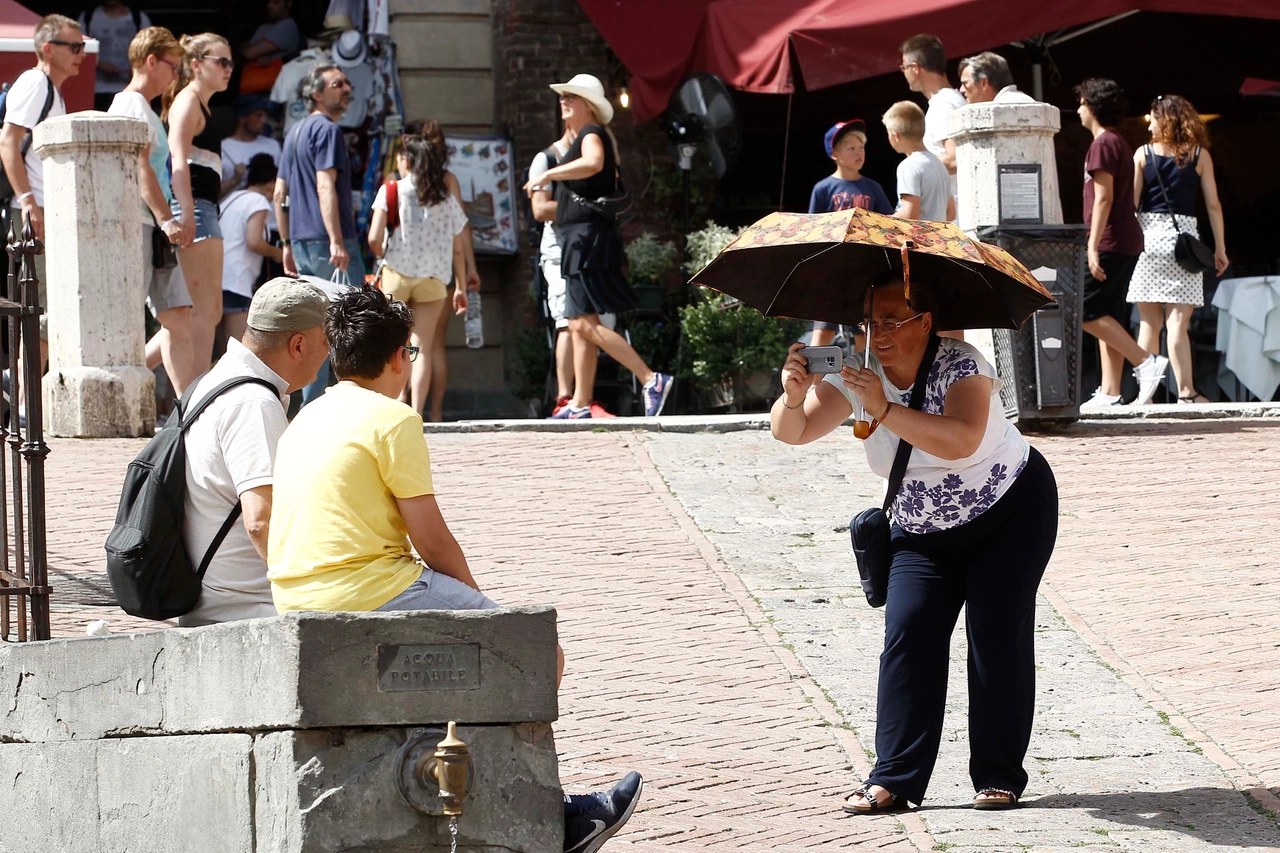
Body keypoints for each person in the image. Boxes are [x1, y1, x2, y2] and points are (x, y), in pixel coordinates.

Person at [267, 284, 644, 851]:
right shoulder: (392, 419)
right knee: (534, 655)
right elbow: (432, 538)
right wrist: (488, 615)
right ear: (398, 357)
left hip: (294, 597)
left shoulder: (303, 420)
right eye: (410, 353)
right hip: (374, 589)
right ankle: (556, 818)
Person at [770, 278, 1059, 813]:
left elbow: (962, 439)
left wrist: (883, 408)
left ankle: (998, 775)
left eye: (890, 320)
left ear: (924, 321)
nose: (875, 333)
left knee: (996, 634)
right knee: (909, 632)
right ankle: (894, 779)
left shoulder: (963, 365)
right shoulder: (856, 372)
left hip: (1009, 512)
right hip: (921, 529)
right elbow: (793, 432)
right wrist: (792, 396)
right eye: (868, 322)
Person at [520, 73, 674, 419]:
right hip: (582, 239)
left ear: (587, 106)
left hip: (586, 240)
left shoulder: (591, 134)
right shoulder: (584, 138)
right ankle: (579, 404)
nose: (564, 102)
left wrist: (549, 175)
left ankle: (650, 379)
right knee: (580, 322)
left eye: (571, 98)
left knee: (581, 323)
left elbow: (593, 163)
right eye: (563, 97)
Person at [179, 277, 330, 627]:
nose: (329, 354)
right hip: (246, 612)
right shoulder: (253, 402)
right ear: (298, 345)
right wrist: (309, 596)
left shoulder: (213, 380)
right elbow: (262, 522)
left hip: (213, 600)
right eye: (326, 342)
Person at [109, 26, 197, 397]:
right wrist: (167, 218)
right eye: (173, 67)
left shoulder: (136, 106)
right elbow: (140, 167)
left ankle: (189, 403)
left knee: (176, 314)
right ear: (151, 61)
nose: (175, 76)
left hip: (149, 225)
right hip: (144, 224)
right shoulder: (131, 105)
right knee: (144, 318)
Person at [275, 61, 366, 405]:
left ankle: (306, 407)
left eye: (346, 83)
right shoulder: (327, 131)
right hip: (327, 243)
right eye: (337, 83)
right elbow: (325, 186)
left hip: (301, 241)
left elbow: (278, 194)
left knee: (316, 326)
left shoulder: (294, 133)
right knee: (351, 324)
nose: (346, 88)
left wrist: (285, 242)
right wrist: (337, 240)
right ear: (316, 93)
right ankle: (348, 404)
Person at [1074, 78, 1168, 409]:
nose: (1078, 109)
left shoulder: (1102, 145)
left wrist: (1092, 245)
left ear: (1094, 107)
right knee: (1108, 313)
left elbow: (1103, 198)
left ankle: (1145, 361)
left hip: (1112, 238)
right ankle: (1110, 391)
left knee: (1083, 310)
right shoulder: (1119, 142)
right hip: (1126, 238)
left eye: (1082, 103)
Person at [1129, 95, 1229, 404]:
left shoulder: (1143, 154)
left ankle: (1145, 396)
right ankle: (1187, 393)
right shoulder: (1200, 155)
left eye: (1152, 117)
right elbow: (1213, 204)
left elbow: (1131, 205)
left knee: (1148, 321)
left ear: (1163, 119)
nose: (1150, 123)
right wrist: (1220, 248)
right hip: (1184, 241)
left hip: (1147, 239)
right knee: (1177, 324)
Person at [0, 13, 83, 376]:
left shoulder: (49, 89)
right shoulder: (36, 82)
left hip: (41, 210)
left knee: (41, 306)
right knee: (41, 306)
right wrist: (30, 203)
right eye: (74, 46)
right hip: (34, 211)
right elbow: (8, 142)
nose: (81, 52)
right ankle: (23, 399)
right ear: (48, 49)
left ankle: (25, 395)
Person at [367, 124, 469, 417]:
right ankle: (418, 410)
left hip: (397, 273)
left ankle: (397, 401)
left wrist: (381, 253)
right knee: (422, 347)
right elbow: (459, 245)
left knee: (395, 342)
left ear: (407, 160)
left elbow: (374, 238)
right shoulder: (444, 196)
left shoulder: (392, 190)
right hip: (435, 278)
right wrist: (460, 285)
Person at [529, 120, 618, 417]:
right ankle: (565, 398)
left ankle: (583, 399)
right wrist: (585, 205)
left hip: (587, 247)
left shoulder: (598, 158)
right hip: (558, 250)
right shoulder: (546, 159)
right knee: (568, 322)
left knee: (587, 320)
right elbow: (540, 209)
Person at [401, 118, 482, 423]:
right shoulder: (448, 180)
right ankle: (432, 414)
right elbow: (461, 231)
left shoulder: (400, 176)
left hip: (402, 267)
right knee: (433, 344)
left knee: (402, 341)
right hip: (439, 268)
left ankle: (402, 406)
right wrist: (469, 269)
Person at [164, 33, 233, 384]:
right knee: (204, 312)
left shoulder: (195, 102)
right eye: (221, 61)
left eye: (230, 62)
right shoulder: (188, 101)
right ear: (196, 64)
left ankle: (188, 396)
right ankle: (195, 401)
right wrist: (187, 212)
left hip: (201, 209)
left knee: (190, 314)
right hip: (195, 210)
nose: (228, 69)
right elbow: (177, 159)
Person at [807, 118, 893, 349]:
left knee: (864, 333)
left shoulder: (873, 187)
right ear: (834, 153)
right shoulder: (823, 189)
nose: (859, 153)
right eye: (851, 148)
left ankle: (861, 382)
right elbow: (813, 231)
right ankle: (813, 385)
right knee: (823, 330)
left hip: (865, 271)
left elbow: (888, 222)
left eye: (862, 147)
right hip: (831, 270)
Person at [219, 154, 283, 351]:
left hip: (217, 278)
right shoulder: (257, 201)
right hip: (236, 281)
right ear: (272, 184)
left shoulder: (233, 197)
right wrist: (277, 253)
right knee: (239, 352)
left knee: (218, 352)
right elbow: (254, 241)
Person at [899, 34, 965, 200]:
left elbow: (954, 159)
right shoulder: (948, 100)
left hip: (953, 218)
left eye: (903, 67)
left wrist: (915, 163)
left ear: (915, 68)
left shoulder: (943, 105)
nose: (903, 73)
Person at [882, 102, 954, 222]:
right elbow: (951, 213)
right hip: (938, 238)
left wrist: (880, 221)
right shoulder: (939, 164)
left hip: (918, 239)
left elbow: (910, 214)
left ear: (896, 136)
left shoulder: (908, 166)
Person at [78, 1, 150, 112]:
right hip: (98, 91)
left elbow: (151, 50)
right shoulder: (88, 17)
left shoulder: (139, 18)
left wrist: (138, 68)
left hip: (130, 89)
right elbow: (77, 48)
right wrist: (100, 64)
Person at [220, 94, 282, 199]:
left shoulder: (273, 146)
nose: (263, 120)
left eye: (265, 116)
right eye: (258, 115)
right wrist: (234, 180)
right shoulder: (222, 148)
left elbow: (284, 184)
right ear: (242, 118)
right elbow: (210, 196)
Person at [241, 0, 302, 66]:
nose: (269, 5)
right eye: (268, 2)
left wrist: (248, 51)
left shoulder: (287, 26)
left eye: (276, 2)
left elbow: (249, 53)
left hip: (272, 74)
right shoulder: (264, 27)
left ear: (288, 4)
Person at [957, 52, 1034, 105]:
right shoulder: (1020, 100)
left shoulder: (1007, 105)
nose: (961, 90)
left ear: (984, 83)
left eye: (965, 83)